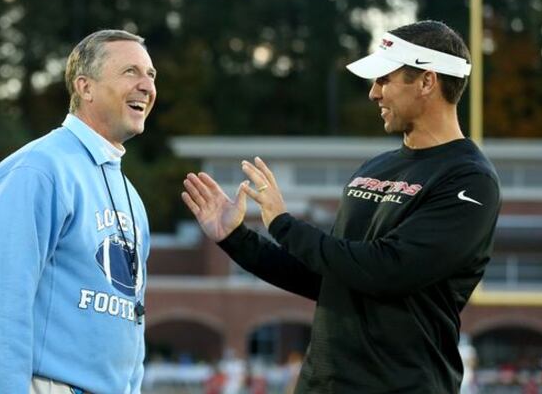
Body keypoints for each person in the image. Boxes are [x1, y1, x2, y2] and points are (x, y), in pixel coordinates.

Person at [181, 20, 501, 393]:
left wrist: (284, 223)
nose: (373, 94)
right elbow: (330, 276)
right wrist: (236, 239)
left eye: (384, 79)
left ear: (427, 81)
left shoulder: (469, 180)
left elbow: (387, 270)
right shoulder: (374, 168)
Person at [0, 29, 157, 394]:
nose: (146, 86)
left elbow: (132, 318)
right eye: (130, 72)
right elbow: (1, 303)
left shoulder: (131, 196)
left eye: (151, 75)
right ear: (85, 87)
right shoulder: (37, 168)